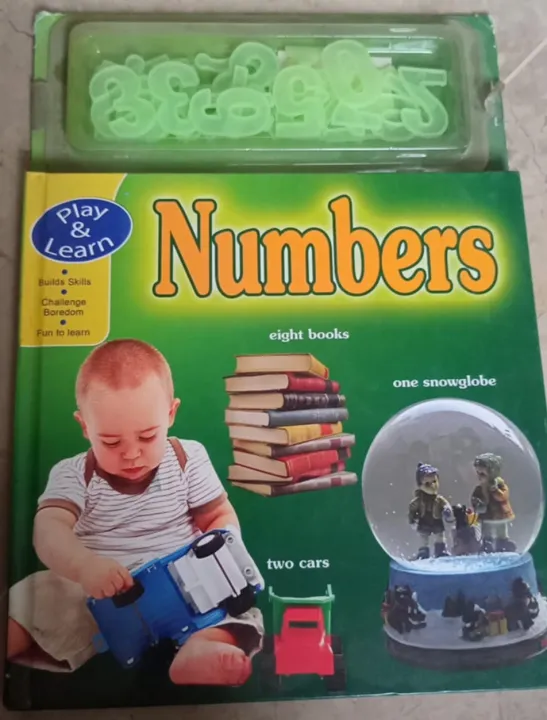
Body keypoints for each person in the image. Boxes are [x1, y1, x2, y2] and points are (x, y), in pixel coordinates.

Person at [7, 339, 263, 685]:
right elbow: (49, 529)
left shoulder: (187, 459)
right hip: (99, 591)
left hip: (188, 586)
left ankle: (202, 647)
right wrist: (83, 566)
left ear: (170, 414)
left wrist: (225, 554)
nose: (130, 454)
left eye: (147, 436)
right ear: (84, 426)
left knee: (234, 609)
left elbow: (218, 516)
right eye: (111, 442)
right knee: (39, 596)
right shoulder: (74, 474)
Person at [471, 452, 516, 553]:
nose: (479, 477)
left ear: (492, 472)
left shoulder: (500, 485)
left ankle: (502, 543)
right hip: (486, 515)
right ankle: (487, 544)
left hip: (499, 514)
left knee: (501, 531)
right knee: (486, 531)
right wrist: (476, 502)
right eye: (478, 473)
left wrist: (495, 490)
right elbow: (475, 498)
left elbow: (503, 497)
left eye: (482, 474)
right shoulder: (480, 488)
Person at [408, 462, 454, 559]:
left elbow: (446, 504)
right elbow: (412, 508)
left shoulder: (439, 499)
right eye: (427, 484)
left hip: (436, 519)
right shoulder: (418, 500)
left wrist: (447, 510)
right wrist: (412, 518)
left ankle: (441, 550)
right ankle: (423, 552)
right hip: (424, 520)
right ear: (420, 485)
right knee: (423, 537)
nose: (432, 486)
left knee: (439, 535)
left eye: (434, 481)